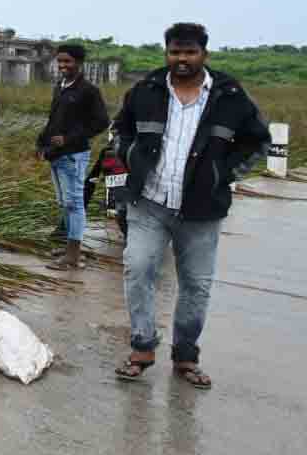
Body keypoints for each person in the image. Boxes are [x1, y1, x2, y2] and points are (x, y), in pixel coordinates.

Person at [112, 22, 270, 389]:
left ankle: (185, 355)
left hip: (201, 209)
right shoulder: (146, 90)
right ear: (166, 53)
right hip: (148, 201)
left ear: (204, 54)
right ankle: (142, 347)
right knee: (138, 269)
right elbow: (121, 129)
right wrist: (130, 157)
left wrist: (223, 174)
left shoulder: (230, 96)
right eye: (175, 52)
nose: (181, 59)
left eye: (190, 52)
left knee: (196, 284)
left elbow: (257, 140)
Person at [37, 43, 110, 270]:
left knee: (74, 204)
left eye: (67, 61)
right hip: (56, 155)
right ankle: (70, 246)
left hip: (74, 155)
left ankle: (73, 256)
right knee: (64, 203)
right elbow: (53, 119)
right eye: (60, 61)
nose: (62, 65)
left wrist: (69, 138)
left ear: (79, 62)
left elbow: (102, 122)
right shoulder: (60, 86)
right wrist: (41, 143)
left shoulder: (88, 90)